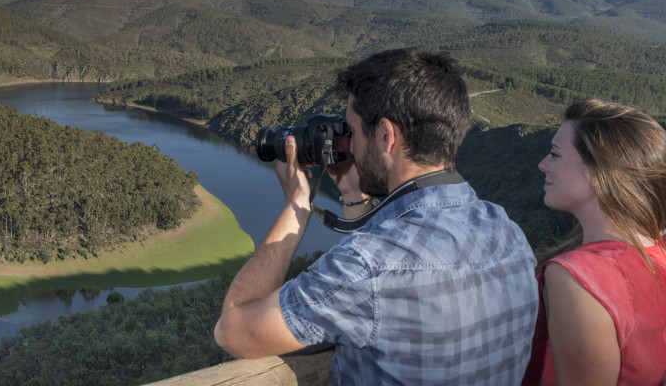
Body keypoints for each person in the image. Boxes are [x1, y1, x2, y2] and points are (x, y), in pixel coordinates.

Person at [215, 48, 539, 385]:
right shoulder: (507, 232)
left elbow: (233, 330)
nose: (350, 147)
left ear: (386, 135)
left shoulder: (367, 266)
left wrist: (296, 205)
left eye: (352, 132)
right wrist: (354, 197)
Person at [522, 99, 666, 385]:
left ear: (599, 173)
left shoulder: (578, 278)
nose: (543, 165)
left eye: (555, 154)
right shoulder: (657, 255)